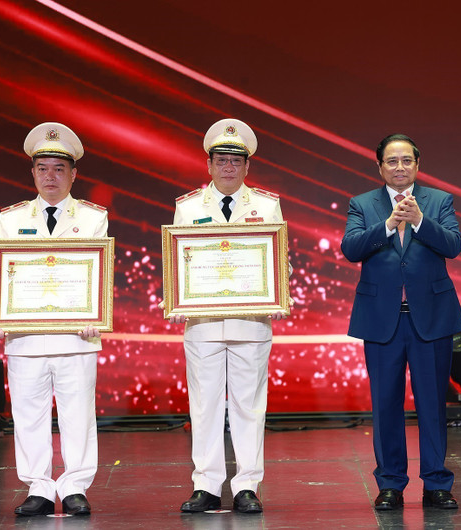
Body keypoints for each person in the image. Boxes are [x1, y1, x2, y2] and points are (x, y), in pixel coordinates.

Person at [0, 122, 107, 516]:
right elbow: (5, 271)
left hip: (76, 334)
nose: (50, 176)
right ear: (32, 173)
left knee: (78, 415)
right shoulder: (10, 218)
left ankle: (74, 487)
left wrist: (97, 315)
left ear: (74, 174)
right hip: (26, 337)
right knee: (28, 414)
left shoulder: (91, 218)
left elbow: (99, 271)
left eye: (58, 168)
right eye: (42, 168)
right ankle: (38, 486)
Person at [341, 134, 461, 510]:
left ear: (417, 164)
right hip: (382, 320)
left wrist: (420, 221)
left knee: (432, 404)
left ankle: (436, 484)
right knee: (386, 405)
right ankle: (391, 484)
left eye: (406, 161)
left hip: (430, 318)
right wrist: (386, 226)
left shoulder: (438, 201)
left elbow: (453, 245)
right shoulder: (362, 203)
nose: (400, 167)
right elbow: (351, 248)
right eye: (392, 161)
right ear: (380, 166)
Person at [169, 118, 288, 514]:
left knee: (249, 405)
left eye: (236, 162)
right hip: (202, 324)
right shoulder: (187, 207)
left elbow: (280, 262)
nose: (228, 168)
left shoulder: (267, 206)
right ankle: (205, 484)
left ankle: (246, 484)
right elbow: (177, 265)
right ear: (209, 165)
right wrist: (176, 296)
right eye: (221, 160)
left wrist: (277, 284)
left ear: (247, 167)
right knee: (203, 406)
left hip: (250, 323)